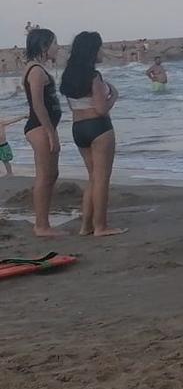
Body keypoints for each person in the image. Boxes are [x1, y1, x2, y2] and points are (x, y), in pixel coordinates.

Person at [60, 31, 125, 237]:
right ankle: (101, 226)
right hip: (98, 127)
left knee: (92, 178)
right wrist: (113, 95)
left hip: (78, 128)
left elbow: (73, 106)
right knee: (102, 178)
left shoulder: (68, 74)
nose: (101, 52)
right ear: (92, 51)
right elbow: (101, 109)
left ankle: (86, 225)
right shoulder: (93, 76)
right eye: (99, 48)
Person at [22, 28, 63, 237]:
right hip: (39, 127)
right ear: (44, 46)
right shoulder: (36, 70)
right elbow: (38, 105)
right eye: (55, 43)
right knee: (45, 176)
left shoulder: (38, 68)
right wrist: (50, 133)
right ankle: (41, 225)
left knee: (51, 174)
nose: (58, 47)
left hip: (42, 127)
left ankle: (43, 223)